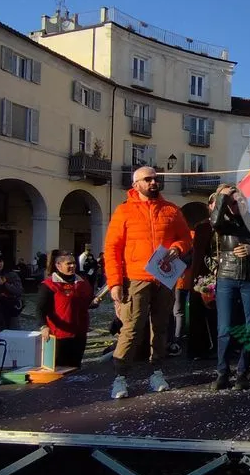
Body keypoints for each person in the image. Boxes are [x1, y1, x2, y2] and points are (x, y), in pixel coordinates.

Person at [104, 166, 192, 399]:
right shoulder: (123, 211)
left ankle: (157, 372)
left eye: (155, 179)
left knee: (161, 327)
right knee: (131, 328)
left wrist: (177, 247)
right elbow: (112, 248)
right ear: (136, 185)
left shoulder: (171, 210)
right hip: (136, 278)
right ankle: (120, 377)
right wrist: (114, 282)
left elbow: (185, 238)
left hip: (164, 278)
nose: (153, 182)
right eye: (148, 179)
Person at [210, 184, 250, 391]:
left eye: (242, 200)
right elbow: (214, 222)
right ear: (228, 205)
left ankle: (243, 372)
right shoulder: (225, 223)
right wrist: (222, 197)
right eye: (234, 202)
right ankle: (222, 372)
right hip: (227, 278)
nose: (239, 204)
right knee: (224, 328)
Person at [37, 251, 99, 368]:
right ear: (58, 265)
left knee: (75, 367)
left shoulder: (82, 281)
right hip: (59, 335)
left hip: (79, 333)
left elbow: (87, 301)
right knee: (60, 368)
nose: (72, 266)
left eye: (74, 263)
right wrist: (43, 326)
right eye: (68, 264)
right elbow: (40, 309)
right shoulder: (49, 285)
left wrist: (94, 302)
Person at [187, 193, 219, 360]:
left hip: (225, 274)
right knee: (204, 311)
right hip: (205, 276)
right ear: (210, 206)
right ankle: (201, 347)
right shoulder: (203, 227)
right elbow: (198, 255)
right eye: (216, 203)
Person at [0, 251, 24, 333]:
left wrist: (5, 284)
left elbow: (19, 291)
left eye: (0, 261)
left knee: (13, 332)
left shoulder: (11, 275)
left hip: (10, 308)